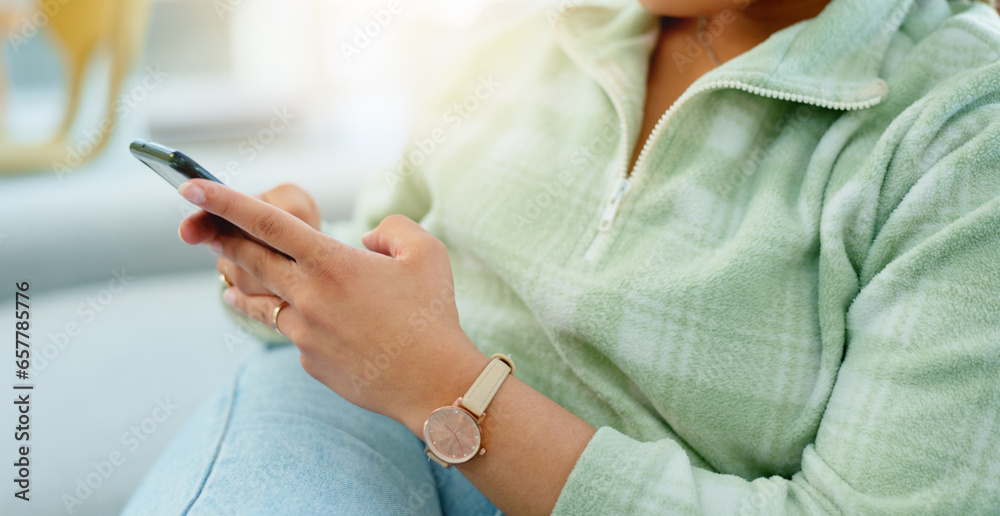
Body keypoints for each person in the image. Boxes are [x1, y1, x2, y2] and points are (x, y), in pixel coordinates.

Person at [123, 0, 1000, 514]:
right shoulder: (527, 38)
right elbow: (383, 297)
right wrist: (295, 284)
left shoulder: (960, 129)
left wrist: (440, 385)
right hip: (369, 456)